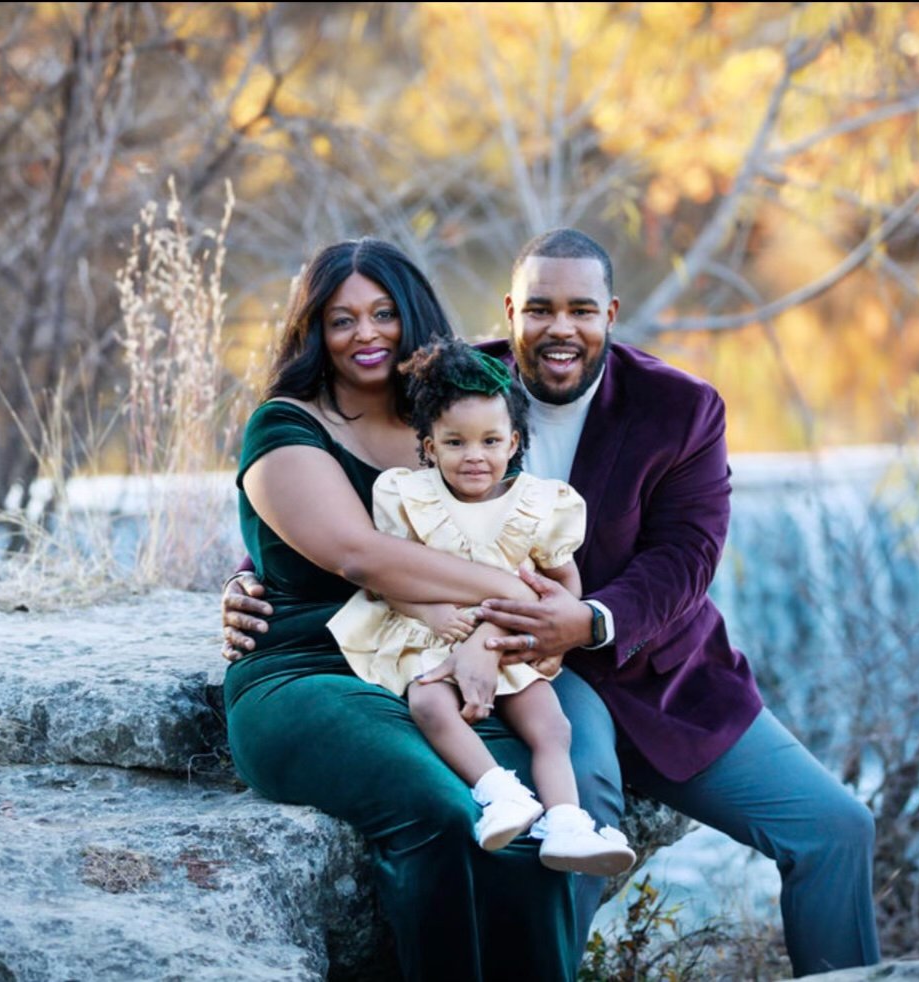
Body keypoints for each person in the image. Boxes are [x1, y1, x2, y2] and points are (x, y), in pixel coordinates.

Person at [224, 228, 882, 977]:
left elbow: (685, 558)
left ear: (611, 312)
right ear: (510, 312)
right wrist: (249, 577)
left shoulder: (679, 408)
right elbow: (350, 520)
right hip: (510, 665)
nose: (559, 328)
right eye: (539, 309)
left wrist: (591, 620)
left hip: (651, 667)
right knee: (560, 799)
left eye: (580, 310)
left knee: (836, 828)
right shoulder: (451, 388)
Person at [225, 236, 608, 982]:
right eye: (341, 320)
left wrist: (502, 632)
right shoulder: (284, 426)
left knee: (537, 811)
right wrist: (520, 600)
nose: (365, 335)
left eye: (382, 313)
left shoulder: (459, 421)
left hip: (455, 658)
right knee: (441, 808)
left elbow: (525, 544)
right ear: (314, 332)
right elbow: (356, 554)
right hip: (311, 675)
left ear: (414, 318)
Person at [328, 337, 636, 875]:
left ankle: (566, 822)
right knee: (428, 704)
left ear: (514, 442)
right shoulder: (408, 494)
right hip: (432, 637)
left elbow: (563, 579)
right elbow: (386, 579)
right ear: (428, 446)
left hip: (510, 641)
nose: (475, 456)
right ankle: (500, 792)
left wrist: (558, 615)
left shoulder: (540, 504)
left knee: (552, 726)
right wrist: (429, 614)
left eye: (491, 441)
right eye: (456, 442)